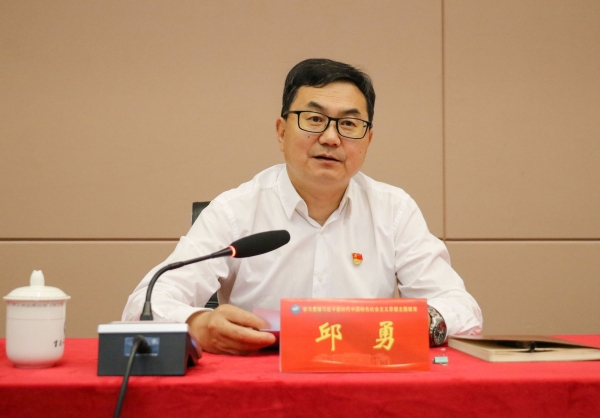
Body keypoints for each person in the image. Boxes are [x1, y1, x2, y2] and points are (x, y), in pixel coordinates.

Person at [123, 58, 483, 355]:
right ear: (281, 132)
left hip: (363, 381)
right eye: (314, 119)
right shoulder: (236, 210)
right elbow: (143, 306)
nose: (331, 137)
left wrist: (407, 323)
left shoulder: (394, 210)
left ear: (368, 139)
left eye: (349, 124)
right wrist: (196, 323)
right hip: (261, 384)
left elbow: (463, 311)